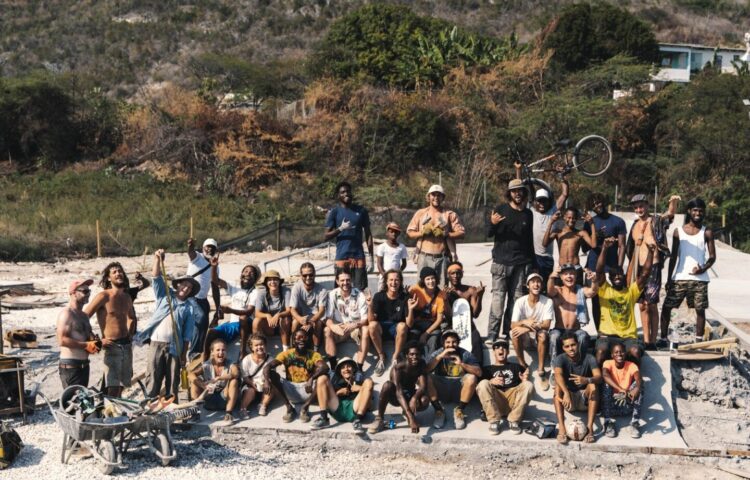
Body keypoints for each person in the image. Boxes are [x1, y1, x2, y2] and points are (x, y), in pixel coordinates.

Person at [134, 249, 200, 402]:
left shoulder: (189, 308)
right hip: (156, 344)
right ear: (178, 285)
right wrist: (158, 259)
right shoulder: (165, 295)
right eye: (184, 285)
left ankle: (171, 410)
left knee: (172, 382)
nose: (186, 289)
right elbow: (156, 277)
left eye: (189, 288)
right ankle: (150, 407)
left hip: (175, 347)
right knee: (153, 377)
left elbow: (187, 335)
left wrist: (183, 355)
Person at [659, 198, 716, 346]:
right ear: (689, 212)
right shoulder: (679, 232)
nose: (698, 213)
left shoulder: (707, 232)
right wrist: (670, 278)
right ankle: (663, 339)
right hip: (680, 277)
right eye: (695, 210)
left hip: (701, 279)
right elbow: (673, 257)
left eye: (701, 210)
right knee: (667, 307)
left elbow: (712, 257)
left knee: (700, 310)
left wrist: (702, 268)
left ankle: (698, 341)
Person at [626, 193, 680, 350]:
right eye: (636, 207)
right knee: (642, 305)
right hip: (638, 267)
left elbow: (669, 215)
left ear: (647, 206)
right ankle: (647, 341)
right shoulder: (635, 225)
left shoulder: (656, 220)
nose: (639, 209)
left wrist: (673, 202)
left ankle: (654, 339)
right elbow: (631, 249)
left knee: (651, 304)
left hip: (653, 265)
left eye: (641, 206)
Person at [594, 238, 655, 366]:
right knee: (601, 351)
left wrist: (651, 252)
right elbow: (599, 270)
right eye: (613, 275)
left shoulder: (631, 292)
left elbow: (645, 274)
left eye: (619, 274)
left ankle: (635, 380)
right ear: (610, 278)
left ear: (623, 276)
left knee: (635, 351)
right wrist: (604, 248)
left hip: (628, 337)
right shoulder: (605, 290)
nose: (617, 276)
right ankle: (598, 383)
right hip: (608, 335)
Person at [487, 178, 534, 343]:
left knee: (515, 302)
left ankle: (508, 332)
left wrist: (532, 264)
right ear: (509, 193)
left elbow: (529, 241)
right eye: (514, 191)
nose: (518, 193)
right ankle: (492, 334)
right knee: (498, 302)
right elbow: (489, 233)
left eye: (520, 190)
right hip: (500, 263)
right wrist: (492, 224)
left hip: (520, 264)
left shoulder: (528, 214)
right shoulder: (501, 209)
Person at [83, 262, 136, 397]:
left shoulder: (126, 296)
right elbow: (84, 317)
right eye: (114, 272)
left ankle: (116, 413)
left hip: (126, 345)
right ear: (108, 278)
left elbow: (131, 317)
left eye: (120, 271)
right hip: (111, 345)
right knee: (112, 385)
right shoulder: (103, 296)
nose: (118, 274)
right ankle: (109, 414)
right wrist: (97, 340)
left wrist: (130, 334)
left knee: (124, 384)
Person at [368, 341, 443, 434]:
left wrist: (414, 398)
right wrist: (411, 417)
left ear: (420, 355)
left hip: (409, 394)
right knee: (387, 385)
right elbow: (398, 392)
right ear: (406, 355)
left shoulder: (421, 364)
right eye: (411, 354)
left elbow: (423, 387)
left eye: (417, 354)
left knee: (424, 400)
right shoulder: (398, 368)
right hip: (396, 396)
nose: (414, 357)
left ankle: (407, 411)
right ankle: (379, 418)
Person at [262, 329, 329, 423]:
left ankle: (305, 408)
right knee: (272, 374)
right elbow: (267, 367)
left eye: (303, 337)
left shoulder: (314, 355)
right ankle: (289, 408)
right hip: (291, 388)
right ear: (293, 341)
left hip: (308, 389)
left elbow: (325, 367)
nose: (301, 340)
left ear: (307, 339)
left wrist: (311, 378)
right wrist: (266, 381)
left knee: (323, 377)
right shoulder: (287, 354)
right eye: (297, 338)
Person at [583, 193, 627, 330]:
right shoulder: (590, 222)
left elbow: (622, 246)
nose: (597, 206)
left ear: (604, 202)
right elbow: (585, 247)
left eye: (599, 202)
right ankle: (599, 332)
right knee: (596, 300)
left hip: (612, 267)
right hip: (593, 266)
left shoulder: (618, 221)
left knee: (613, 300)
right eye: (594, 204)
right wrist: (596, 234)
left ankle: (615, 329)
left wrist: (619, 267)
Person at [407, 184, 465, 286]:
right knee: (422, 289)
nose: (436, 198)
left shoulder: (449, 215)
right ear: (428, 197)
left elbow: (461, 233)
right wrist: (422, 232)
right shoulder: (421, 213)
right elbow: (410, 232)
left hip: (442, 258)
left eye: (439, 195)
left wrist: (446, 234)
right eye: (433, 195)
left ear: (443, 197)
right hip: (424, 257)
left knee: (442, 289)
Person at [206, 255, 260, 361]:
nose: (248, 274)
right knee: (211, 332)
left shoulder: (255, 292)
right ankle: (205, 356)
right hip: (233, 324)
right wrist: (214, 267)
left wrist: (230, 310)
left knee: (243, 317)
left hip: (247, 323)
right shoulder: (235, 286)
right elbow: (215, 280)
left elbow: (249, 311)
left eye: (251, 273)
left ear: (255, 278)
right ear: (241, 274)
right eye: (245, 271)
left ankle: (243, 350)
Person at [476, 338, 534, 434]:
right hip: (496, 401)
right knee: (483, 383)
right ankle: (494, 421)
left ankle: (514, 420)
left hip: (513, 401)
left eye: (504, 347)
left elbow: (526, 373)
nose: (501, 349)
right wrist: (491, 381)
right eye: (497, 347)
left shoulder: (516, 367)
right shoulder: (487, 369)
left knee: (528, 385)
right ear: (494, 351)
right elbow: (478, 388)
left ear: (508, 352)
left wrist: (524, 381)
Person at [426, 330, 481, 430]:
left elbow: (479, 372)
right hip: (442, 387)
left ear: (458, 343)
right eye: (448, 342)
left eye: (454, 342)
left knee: (472, 378)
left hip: (458, 389)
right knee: (425, 377)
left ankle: (459, 410)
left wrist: (462, 364)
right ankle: (439, 410)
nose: (451, 345)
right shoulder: (438, 353)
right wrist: (440, 357)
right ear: (443, 343)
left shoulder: (465, 354)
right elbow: (426, 369)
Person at [324, 181, 374, 291]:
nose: (346, 194)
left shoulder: (361, 211)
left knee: (360, 291)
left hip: (358, 257)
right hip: (342, 256)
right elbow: (326, 235)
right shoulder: (335, 212)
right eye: (343, 192)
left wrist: (371, 258)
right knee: (341, 291)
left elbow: (368, 234)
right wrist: (340, 228)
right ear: (338, 195)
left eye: (348, 191)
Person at [553, 331, 601, 444]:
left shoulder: (589, 358)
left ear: (578, 344)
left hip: (584, 400)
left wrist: (587, 380)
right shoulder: (560, 358)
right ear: (563, 348)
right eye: (567, 346)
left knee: (593, 385)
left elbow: (599, 377)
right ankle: (562, 428)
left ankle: (589, 429)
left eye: (573, 345)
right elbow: (558, 374)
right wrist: (565, 392)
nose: (571, 349)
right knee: (557, 387)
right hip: (568, 400)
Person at [509, 273, 554, 390]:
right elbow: (513, 324)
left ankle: (541, 370)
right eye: (533, 282)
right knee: (513, 333)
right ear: (527, 285)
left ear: (542, 285)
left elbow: (546, 325)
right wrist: (525, 321)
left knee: (543, 335)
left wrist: (526, 327)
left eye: (538, 282)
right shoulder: (520, 301)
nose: (536, 284)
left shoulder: (547, 301)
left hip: (538, 337)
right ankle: (522, 365)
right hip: (525, 339)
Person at [368, 269, 417, 376]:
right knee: (372, 326)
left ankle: (395, 357)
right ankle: (381, 356)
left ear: (400, 282)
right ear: (386, 281)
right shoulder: (378, 296)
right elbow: (371, 320)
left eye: (397, 280)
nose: (393, 283)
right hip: (382, 328)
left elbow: (409, 324)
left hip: (397, 330)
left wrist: (411, 309)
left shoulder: (405, 297)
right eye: (391, 280)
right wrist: (370, 306)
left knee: (403, 326)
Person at [546, 264, 597, 362]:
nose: (569, 276)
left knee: (582, 336)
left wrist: (594, 281)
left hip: (575, 330)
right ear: (561, 277)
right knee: (553, 336)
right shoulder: (558, 290)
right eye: (566, 274)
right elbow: (549, 291)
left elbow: (592, 292)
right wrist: (551, 277)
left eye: (572, 274)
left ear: (576, 276)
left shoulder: (581, 291)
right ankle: (554, 366)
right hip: (559, 329)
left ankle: (579, 363)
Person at [57, 279, 99, 388]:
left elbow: (87, 339)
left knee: (83, 402)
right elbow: (62, 340)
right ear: (74, 293)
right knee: (73, 402)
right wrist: (86, 345)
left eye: (89, 291)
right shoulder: (67, 314)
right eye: (85, 291)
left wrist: (96, 343)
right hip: (71, 367)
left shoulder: (84, 316)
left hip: (84, 365)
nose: (88, 294)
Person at [312, 357, 374, 432]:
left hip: (355, 410)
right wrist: (338, 393)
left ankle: (357, 421)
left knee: (369, 381)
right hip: (337, 409)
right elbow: (323, 397)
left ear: (354, 369)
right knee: (322, 378)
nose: (346, 369)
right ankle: (324, 418)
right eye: (343, 368)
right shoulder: (335, 383)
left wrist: (361, 389)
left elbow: (370, 405)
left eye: (349, 366)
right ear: (340, 372)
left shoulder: (360, 382)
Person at [324, 270, 369, 371]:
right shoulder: (332, 294)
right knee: (327, 330)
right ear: (337, 281)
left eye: (348, 280)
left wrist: (354, 324)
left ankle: (359, 368)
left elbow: (365, 320)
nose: (345, 283)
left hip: (355, 328)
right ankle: (333, 368)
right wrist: (333, 326)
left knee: (365, 329)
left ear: (351, 280)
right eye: (342, 280)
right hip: (341, 328)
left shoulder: (359, 294)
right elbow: (327, 318)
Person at [529, 176, 569, 291]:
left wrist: (562, 176)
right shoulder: (531, 211)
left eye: (544, 201)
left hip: (547, 258)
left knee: (546, 288)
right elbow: (520, 187)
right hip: (533, 256)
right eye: (539, 201)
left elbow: (565, 194)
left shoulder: (553, 211)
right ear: (535, 202)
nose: (541, 204)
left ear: (548, 202)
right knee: (532, 288)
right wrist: (518, 171)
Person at [189, 338, 240, 424]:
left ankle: (228, 414)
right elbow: (190, 374)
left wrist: (219, 378)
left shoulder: (231, 363)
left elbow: (236, 373)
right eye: (218, 350)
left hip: (225, 399)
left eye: (223, 350)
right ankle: (195, 414)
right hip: (209, 400)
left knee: (234, 381)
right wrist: (202, 385)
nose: (221, 353)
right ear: (212, 352)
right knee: (194, 383)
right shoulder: (206, 365)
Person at [444, 261, 485, 363]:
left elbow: (475, 314)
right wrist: (446, 299)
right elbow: (449, 317)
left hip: (469, 326)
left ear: (462, 274)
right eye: (452, 273)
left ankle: (478, 369)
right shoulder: (445, 292)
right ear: (447, 275)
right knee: (442, 340)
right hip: (452, 326)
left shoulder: (470, 290)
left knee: (476, 339)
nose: (455, 276)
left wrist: (480, 296)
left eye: (458, 273)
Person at [542, 207, 597, 284]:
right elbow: (544, 244)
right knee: (560, 294)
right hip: (562, 269)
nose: (571, 220)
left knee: (577, 294)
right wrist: (551, 222)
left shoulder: (581, 233)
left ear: (577, 219)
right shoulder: (558, 232)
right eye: (569, 217)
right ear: (564, 217)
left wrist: (592, 224)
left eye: (574, 218)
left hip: (576, 268)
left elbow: (593, 245)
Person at [601, 343, 643, 439]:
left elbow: (639, 378)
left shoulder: (632, 365)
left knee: (640, 385)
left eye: (622, 352)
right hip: (610, 406)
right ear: (612, 355)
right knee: (606, 383)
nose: (619, 354)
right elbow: (605, 375)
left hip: (626, 404)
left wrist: (636, 388)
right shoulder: (608, 363)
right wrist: (620, 389)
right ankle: (608, 422)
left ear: (626, 354)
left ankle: (634, 423)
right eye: (616, 352)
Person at [186, 237, 219, 359]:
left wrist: (218, 308)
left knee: (203, 325)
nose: (209, 249)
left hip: (203, 299)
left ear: (216, 250)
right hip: (191, 296)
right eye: (207, 246)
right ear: (203, 247)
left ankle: (198, 352)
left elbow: (215, 288)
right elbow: (190, 252)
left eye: (212, 247)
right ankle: (193, 353)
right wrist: (191, 245)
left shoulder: (215, 266)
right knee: (201, 318)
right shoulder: (197, 257)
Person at [290, 263, 328, 353]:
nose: (308, 277)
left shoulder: (322, 290)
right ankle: (292, 348)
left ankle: (316, 350)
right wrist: (300, 319)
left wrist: (311, 321)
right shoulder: (296, 288)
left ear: (314, 274)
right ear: (301, 275)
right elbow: (292, 309)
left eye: (310, 275)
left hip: (315, 316)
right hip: (301, 316)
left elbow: (321, 310)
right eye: (305, 275)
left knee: (318, 323)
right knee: (295, 322)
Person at [408, 266, 446, 355]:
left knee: (433, 341)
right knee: (412, 340)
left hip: (432, 325)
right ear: (423, 281)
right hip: (416, 324)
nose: (431, 281)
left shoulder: (440, 295)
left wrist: (426, 334)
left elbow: (439, 320)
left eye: (432, 278)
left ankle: (431, 365)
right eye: (427, 279)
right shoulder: (415, 290)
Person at [253, 270, 293, 351]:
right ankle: (258, 348)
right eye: (270, 280)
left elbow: (289, 310)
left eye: (275, 279)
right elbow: (257, 313)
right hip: (269, 325)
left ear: (279, 281)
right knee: (256, 321)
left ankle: (286, 349)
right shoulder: (261, 293)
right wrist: (268, 315)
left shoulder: (286, 291)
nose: (273, 282)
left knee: (285, 319)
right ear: (266, 282)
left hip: (283, 325)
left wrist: (278, 315)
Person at [239, 333, 274, 418]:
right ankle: (243, 408)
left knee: (272, 387)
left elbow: (272, 375)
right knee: (250, 391)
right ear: (251, 347)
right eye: (256, 345)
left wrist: (267, 382)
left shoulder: (270, 359)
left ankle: (263, 405)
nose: (259, 347)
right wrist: (252, 384)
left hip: (264, 385)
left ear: (265, 345)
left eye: (261, 344)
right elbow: (245, 377)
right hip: (251, 385)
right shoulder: (247, 360)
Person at [375, 222, 408, 291]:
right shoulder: (382, 247)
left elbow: (404, 264)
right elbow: (379, 264)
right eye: (391, 232)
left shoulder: (402, 247)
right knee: (382, 293)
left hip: (396, 278)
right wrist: (385, 276)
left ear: (398, 234)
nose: (394, 234)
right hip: (384, 276)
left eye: (396, 232)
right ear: (387, 233)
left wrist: (398, 273)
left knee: (397, 293)